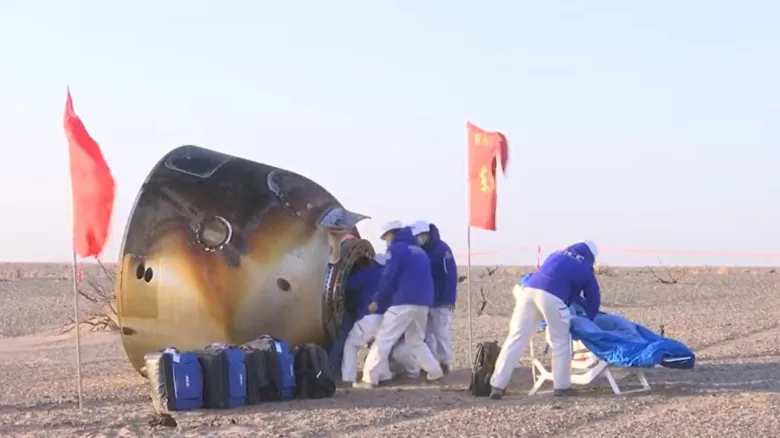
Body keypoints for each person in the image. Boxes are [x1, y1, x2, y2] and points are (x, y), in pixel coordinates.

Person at [489, 240, 601, 399]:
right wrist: (590, 317)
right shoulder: (585, 267)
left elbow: (551, 276)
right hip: (552, 298)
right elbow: (593, 297)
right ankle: (561, 387)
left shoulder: (555, 255)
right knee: (560, 342)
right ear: (591, 256)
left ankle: (497, 385)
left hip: (528, 292)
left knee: (516, 338)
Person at [355, 226, 444, 388]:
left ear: (391, 234)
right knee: (416, 341)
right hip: (423, 303)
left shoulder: (397, 250)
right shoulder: (420, 252)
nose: (386, 242)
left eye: (386, 238)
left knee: (383, 339)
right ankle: (435, 372)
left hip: (403, 303)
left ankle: (369, 379)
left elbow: (389, 277)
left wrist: (377, 300)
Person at [410, 220, 458, 374]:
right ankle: (430, 363)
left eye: (420, 235)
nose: (418, 238)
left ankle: (445, 362)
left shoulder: (442, 250)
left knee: (440, 332)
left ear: (426, 234)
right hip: (425, 300)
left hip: (441, 300)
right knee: (426, 333)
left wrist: (450, 299)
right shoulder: (418, 250)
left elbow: (450, 276)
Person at [340, 253, 389, 384]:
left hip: (370, 317)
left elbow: (347, 285)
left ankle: (348, 378)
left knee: (351, 344)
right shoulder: (389, 276)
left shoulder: (368, 272)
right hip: (387, 318)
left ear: (373, 262)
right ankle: (383, 376)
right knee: (378, 346)